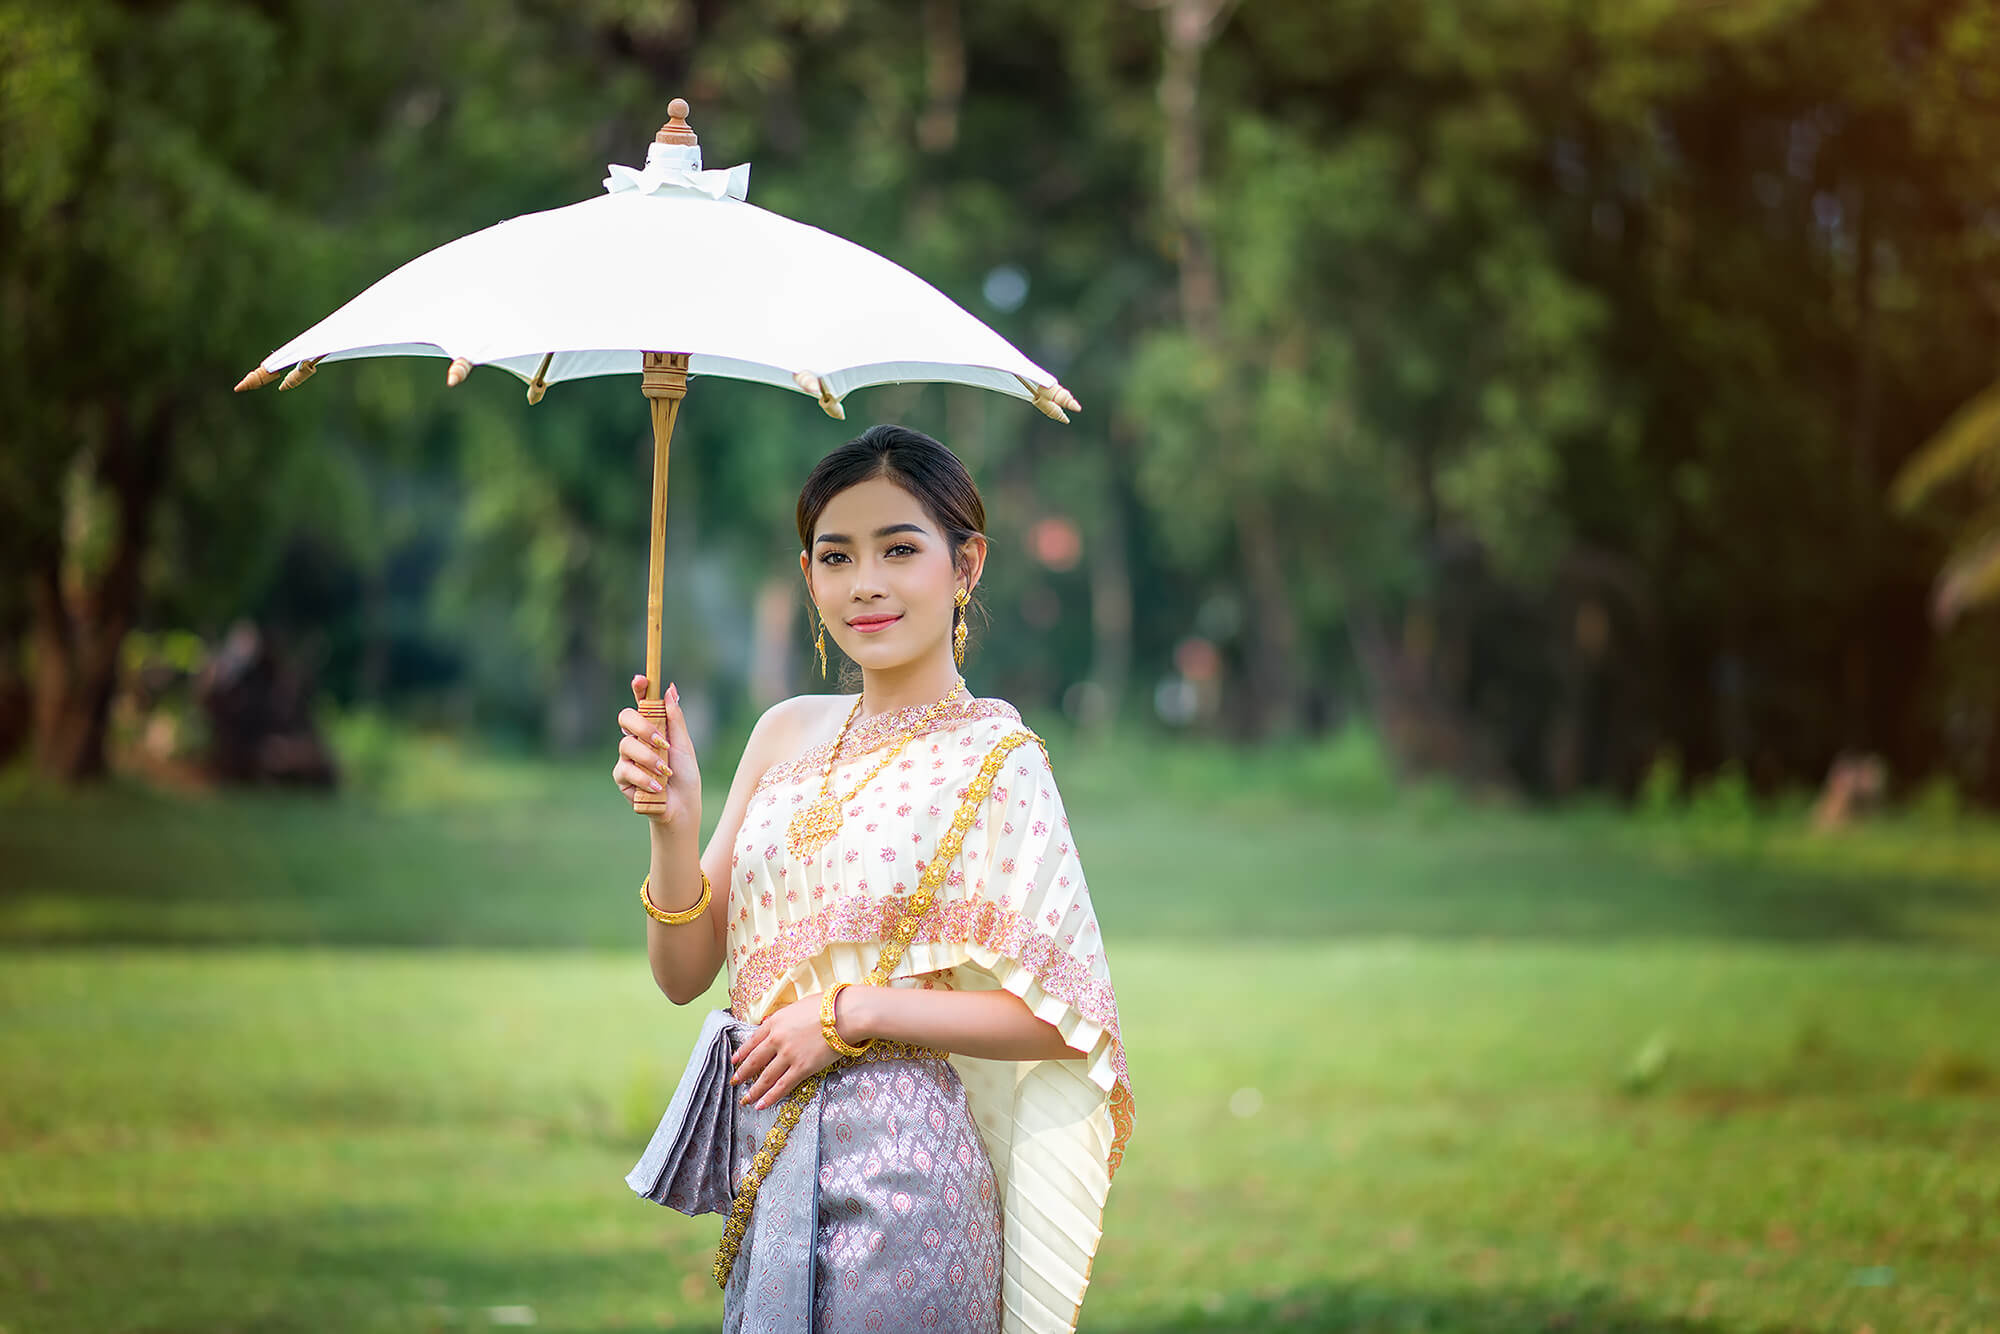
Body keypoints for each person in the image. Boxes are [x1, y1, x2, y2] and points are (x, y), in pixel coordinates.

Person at [612, 424, 1133, 1334]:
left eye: (900, 549)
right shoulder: (782, 734)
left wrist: (850, 1013)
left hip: (909, 1178)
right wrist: (675, 825)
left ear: (965, 565)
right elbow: (682, 974)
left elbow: (1059, 1019)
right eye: (836, 555)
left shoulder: (996, 758)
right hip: (767, 1152)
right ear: (807, 573)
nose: (866, 584)